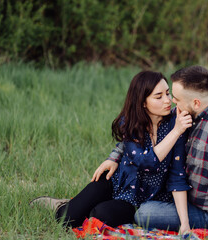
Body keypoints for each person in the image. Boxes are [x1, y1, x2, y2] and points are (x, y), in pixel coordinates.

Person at [94, 66, 208, 239]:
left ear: (196, 102)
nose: (171, 102)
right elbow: (142, 134)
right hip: (184, 197)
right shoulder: (187, 113)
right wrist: (115, 157)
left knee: (145, 214)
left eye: (176, 98)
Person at [30, 71, 193, 233]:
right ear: (143, 102)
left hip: (141, 200)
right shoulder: (130, 123)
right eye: (159, 97)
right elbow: (145, 161)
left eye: (167, 93)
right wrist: (176, 132)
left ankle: (89, 206)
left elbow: (177, 175)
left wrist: (184, 223)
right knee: (66, 219)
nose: (168, 100)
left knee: (99, 215)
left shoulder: (175, 124)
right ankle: (64, 205)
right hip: (117, 181)